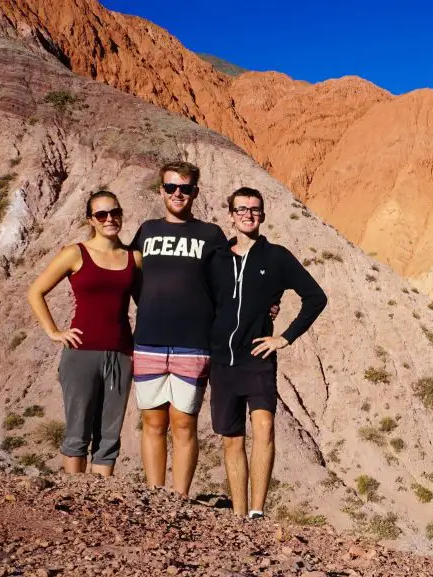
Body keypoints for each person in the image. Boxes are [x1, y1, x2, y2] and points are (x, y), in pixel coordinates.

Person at [208, 187, 327, 519]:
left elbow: (316, 297)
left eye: (255, 209)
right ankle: (239, 514)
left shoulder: (277, 257)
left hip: (257, 359)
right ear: (230, 215)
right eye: (241, 209)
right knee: (232, 439)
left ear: (263, 215)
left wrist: (285, 337)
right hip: (222, 361)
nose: (248, 214)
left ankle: (257, 511)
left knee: (264, 427)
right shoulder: (216, 258)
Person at [129, 161, 226, 497]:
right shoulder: (146, 231)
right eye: (171, 187)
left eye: (185, 188)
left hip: (193, 343)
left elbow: (226, 285)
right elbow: (131, 276)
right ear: (161, 191)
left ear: (195, 192)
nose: (178, 194)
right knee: (153, 423)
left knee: (184, 423)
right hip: (149, 341)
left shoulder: (211, 234)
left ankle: (179, 500)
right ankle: (156, 498)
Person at [27, 190, 137, 476]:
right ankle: (77, 504)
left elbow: (149, 303)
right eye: (102, 214)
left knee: (109, 436)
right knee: (77, 432)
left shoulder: (133, 258)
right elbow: (36, 291)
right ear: (91, 220)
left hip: (122, 355)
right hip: (81, 353)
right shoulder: (75, 253)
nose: (110, 219)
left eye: (115, 212)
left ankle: (101, 510)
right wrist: (53, 331)